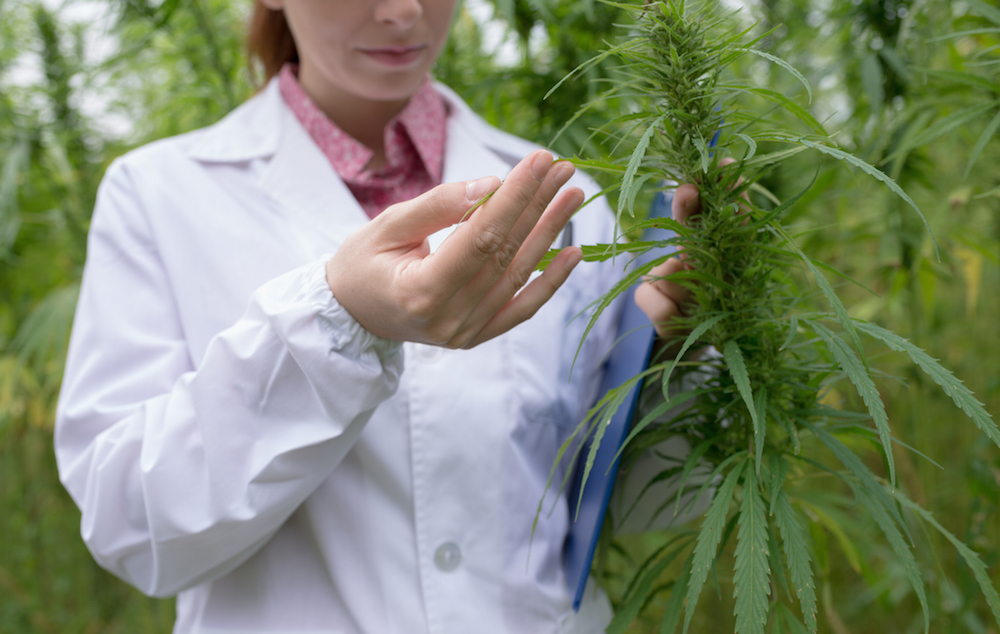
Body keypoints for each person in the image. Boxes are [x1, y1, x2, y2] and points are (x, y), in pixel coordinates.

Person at [54, 1, 702, 632]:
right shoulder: (158, 195)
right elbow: (131, 528)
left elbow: (636, 500)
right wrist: (339, 320)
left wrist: (670, 352)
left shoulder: (563, 200)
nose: (402, 13)